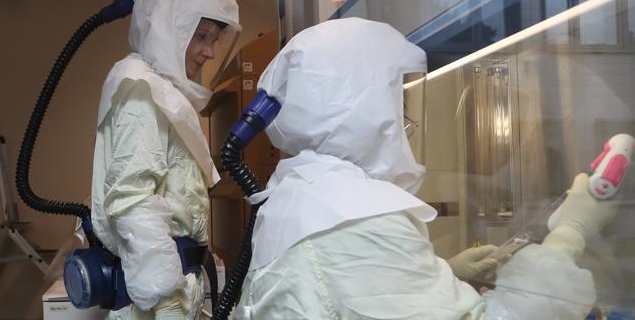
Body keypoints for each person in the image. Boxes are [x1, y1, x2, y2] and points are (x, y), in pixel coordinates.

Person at [234, 18, 612, 319]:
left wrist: (448, 273)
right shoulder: (353, 219)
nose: (403, 121)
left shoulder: (303, 193)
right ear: (360, 105)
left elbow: (350, 290)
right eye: (395, 102)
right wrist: (569, 235)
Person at [90, 0, 240, 320]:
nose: (208, 52)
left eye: (213, 40)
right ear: (168, 29)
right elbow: (131, 200)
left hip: (172, 287)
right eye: (200, 36)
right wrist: (167, 301)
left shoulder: (163, 92)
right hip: (155, 303)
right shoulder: (140, 91)